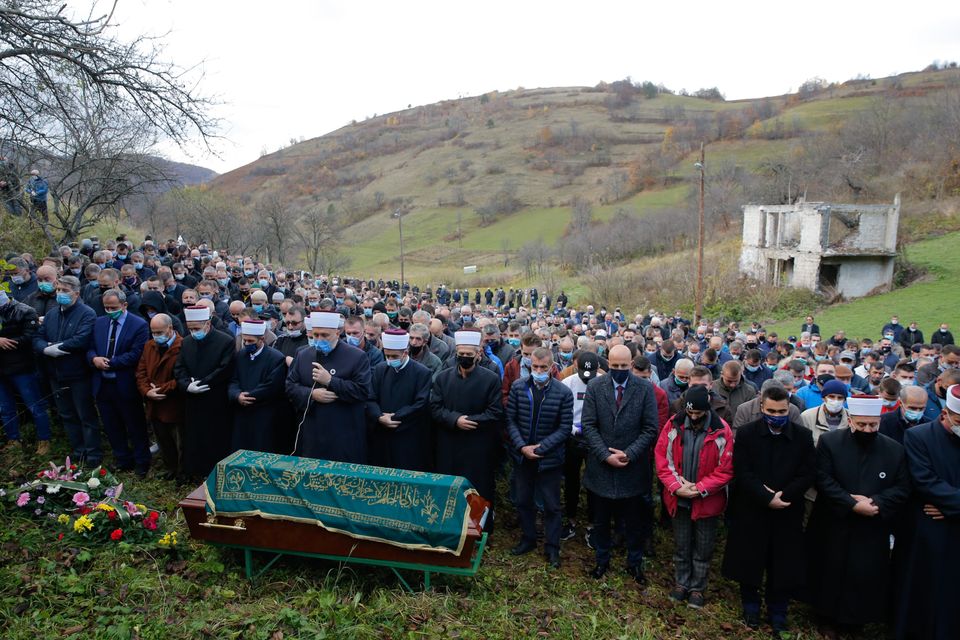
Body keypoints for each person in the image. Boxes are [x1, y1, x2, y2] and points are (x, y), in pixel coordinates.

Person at [807, 395, 910, 637]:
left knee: (864, 573)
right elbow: (823, 479)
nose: (867, 429)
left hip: (872, 524)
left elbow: (903, 487)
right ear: (851, 421)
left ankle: (856, 621)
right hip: (834, 520)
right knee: (830, 568)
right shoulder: (830, 442)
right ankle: (826, 618)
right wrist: (851, 503)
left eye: (872, 425)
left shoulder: (894, 450)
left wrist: (876, 502)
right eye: (862, 425)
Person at [722, 386, 816, 634]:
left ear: (789, 409)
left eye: (782, 411)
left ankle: (778, 611)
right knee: (750, 560)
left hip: (786, 508)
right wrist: (765, 496)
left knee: (782, 563)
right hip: (753, 507)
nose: (777, 415)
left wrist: (783, 495)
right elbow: (742, 471)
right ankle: (750, 606)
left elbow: (807, 473)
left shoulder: (803, 436)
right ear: (762, 408)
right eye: (771, 411)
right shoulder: (747, 434)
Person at [581, 344, 659, 584]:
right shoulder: (595, 386)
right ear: (608, 363)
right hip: (602, 468)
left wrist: (629, 453)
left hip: (632, 469)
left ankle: (634, 564)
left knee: (634, 523)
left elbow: (650, 428)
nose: (619, 370)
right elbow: (589, 425)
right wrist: (605, 455)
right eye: (614, 366)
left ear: (631, 365)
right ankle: (601, 561)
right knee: (601, 522)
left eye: (623, 366)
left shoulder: (645, 389)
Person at [655, 384, 734, 609]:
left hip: (707, 500)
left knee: (704, 546)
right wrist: (675, 485)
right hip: (678, 496)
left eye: (698, 413)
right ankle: (681, 583)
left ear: (707, 410)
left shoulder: (721, 430)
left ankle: (697, 587)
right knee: (681, 544)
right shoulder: (674, 425)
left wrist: (700, 488)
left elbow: (725, 469)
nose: (694, 416)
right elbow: (662, 457)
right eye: (690, 412)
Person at [894, 384, 960, 640]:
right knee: (926, 590)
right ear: (946, 414)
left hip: (949, 521)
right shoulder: (919, 437)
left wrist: (952, 509)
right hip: (929, 527)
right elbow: (926, 482)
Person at [506, 346, 573, 568]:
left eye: (543, 367)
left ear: (552, 367)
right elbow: (511, 420)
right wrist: (522, 447)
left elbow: (564, 428)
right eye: (535, 366)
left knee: (552, 505)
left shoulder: (563, 392)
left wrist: (541, 448)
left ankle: (552, 547)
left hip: (550, 459)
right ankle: (528, 538)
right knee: (524, 500)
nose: (538, 371)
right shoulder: (518, 387)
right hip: (522, 456)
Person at [430, 330, 505, 518]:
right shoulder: (443, 378)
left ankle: (478, 529)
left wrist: (470, 421)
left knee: (478, 486)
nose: (464, 358)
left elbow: (495, 412)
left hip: (477, 444)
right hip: (449, 443)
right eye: (461, 355)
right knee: (448, 485)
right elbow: (435, 408)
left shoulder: (491, 379)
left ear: (478, 354)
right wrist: (455, 420)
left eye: (469, 355)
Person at [33, 275, 101, 466]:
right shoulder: (53, 314)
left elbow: (82, 338)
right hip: (56, 374)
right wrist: (45, 348)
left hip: (78, 374)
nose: (60, 294)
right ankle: (78, 452)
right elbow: (38, 336)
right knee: (67, 415)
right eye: (58, 290)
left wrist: (59, 348)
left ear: (77, 293)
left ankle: (93, 456)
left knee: (85, 415)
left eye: (65, 291)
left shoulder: (87, 313)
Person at [286, 311, 372, 463]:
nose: (319, 339)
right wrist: (312, 394)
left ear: (338, 332)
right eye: (315, 335)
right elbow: (290, 386)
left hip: (343, 435)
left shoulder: (357, 356)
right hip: (312, 435)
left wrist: (331, 381)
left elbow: (362, 391)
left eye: (325, 335)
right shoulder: (304, 355)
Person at [87, 289, 151, 476]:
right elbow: (90, 347)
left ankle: (142, 461)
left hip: (125, 383)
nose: (109, 310)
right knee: (111, 425)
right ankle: (123, 459)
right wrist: (94, 359)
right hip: (103, 384)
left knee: (135, 425)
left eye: (113, 307)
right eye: (106, 307)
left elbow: (136, 354)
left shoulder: (139, 325)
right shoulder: (99, 323)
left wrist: (110, 363)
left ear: (124, 305)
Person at [174, 305, 235, 479]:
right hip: (193, 399)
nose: (193, 332)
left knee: (215, 438)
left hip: (215, 398)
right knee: (194, 438)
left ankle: (215, 474)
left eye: (196, 328)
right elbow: (179, 368)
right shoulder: (186, 342)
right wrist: (186, 385)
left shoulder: (225, 341)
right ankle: (194, 472)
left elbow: (224, 369)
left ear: (207, 324)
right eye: (190, 328)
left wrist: (203, 382)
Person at [365, 330, 434, 471]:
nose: (390, 359)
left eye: (394, 356)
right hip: (381, 434)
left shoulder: (422, 372)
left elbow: (420, 404)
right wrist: (379, 417)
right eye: (387, 355)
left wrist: (395, 417)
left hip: (408, 434)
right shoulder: (380, 369)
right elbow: (370, 398)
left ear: (405, 352)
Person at [0, 290, 52, 455]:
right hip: (1, 369)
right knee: (5, 407)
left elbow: (30, 337)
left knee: (35, 405)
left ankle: (44, 439)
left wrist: (9, 342)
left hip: (22, 367)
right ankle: (13, 439)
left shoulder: (24, 311)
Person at [136, 313, 184, 481]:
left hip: (173, 402)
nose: (156, 336)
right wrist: (146, 391)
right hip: (154, 402)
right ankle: (170, 468)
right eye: (153, 332)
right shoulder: (149, 346)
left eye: (159, 332)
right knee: (162, 440)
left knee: (179, 441)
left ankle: (182, 473)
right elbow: (141, 372)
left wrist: (162, 389)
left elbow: (182, 378)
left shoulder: (183, 346)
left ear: (170, 329)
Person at [228, 319, 288, 454]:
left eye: (251, 341)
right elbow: (233, 380)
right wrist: (237, 395)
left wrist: (248, 397)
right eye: (245, 341)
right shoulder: (241, 355)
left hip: (263, 413)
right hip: (242, 412)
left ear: (262, 339)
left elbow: (271, 386)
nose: (247, 344)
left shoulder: (276, 358)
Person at [560, 351, 601, 543]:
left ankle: (594, 523)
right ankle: (570, 518)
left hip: (596, 439)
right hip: (572, 438)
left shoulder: (603, 382)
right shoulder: (567, 383)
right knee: (571, 479)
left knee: (594, 481)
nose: (587, 380)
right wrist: (572, 428)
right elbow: (561, 412)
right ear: (576, 367)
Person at [799, 379, 850, 445]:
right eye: (831, 396)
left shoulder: (852, 418)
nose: (835, 400)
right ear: (823, 398)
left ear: (844, 400)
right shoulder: (807, 417)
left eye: (840, 398)